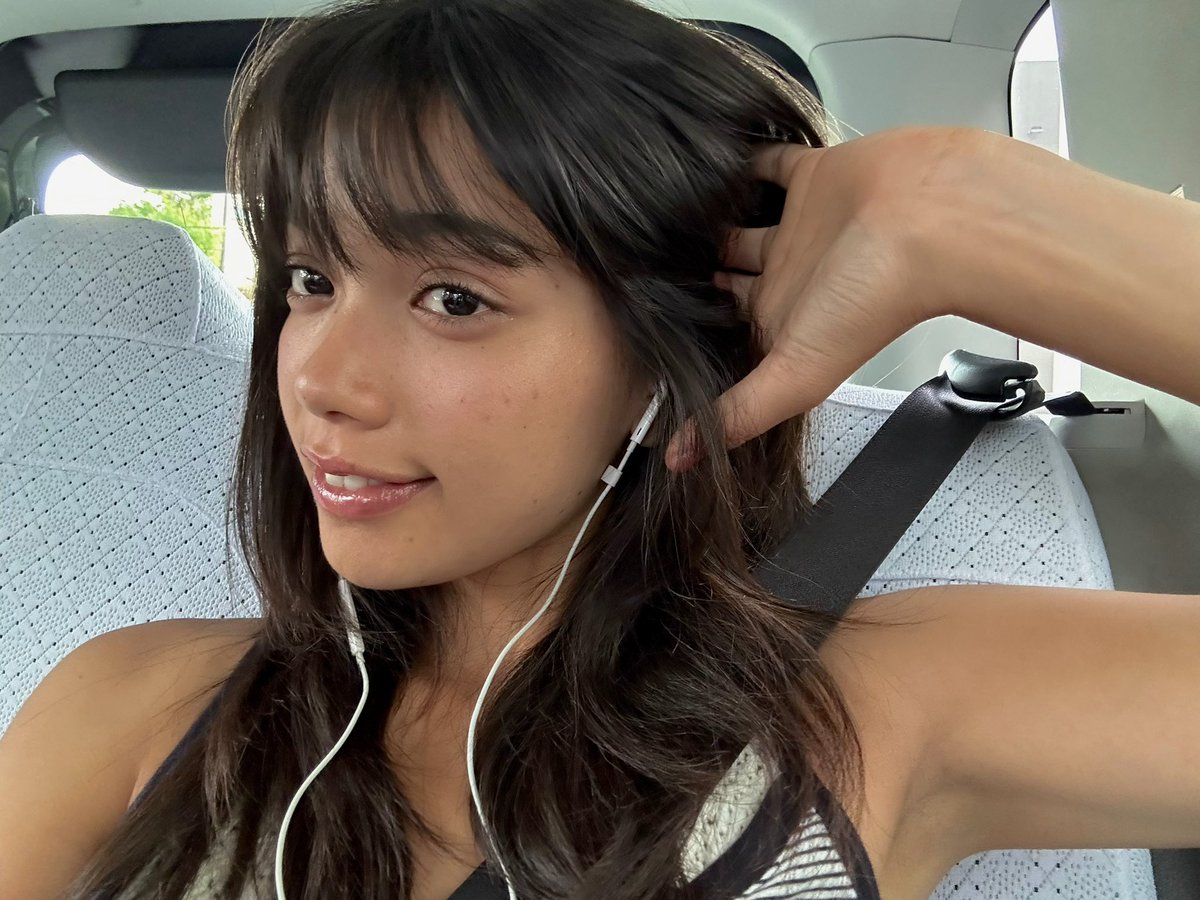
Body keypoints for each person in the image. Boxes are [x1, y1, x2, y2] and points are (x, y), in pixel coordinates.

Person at [0, 0, 1197, 899]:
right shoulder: (138, 709)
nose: (319, 378)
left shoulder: (885, 702)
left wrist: (961, 203)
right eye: (312, 279)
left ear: (663, 360)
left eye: (454, 299)